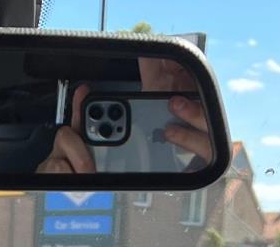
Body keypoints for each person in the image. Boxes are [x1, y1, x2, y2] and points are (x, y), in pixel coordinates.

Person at [39, 55, 213, 175]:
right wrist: (48, 186)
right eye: (152, 46)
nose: (170, 66)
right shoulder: (57, 142)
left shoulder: (214, 158)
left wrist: (218, 175)